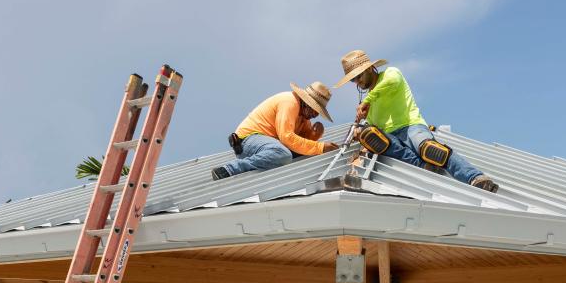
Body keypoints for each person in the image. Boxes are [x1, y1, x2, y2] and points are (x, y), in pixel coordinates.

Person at [333, 50, 499, 193]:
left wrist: (367, 100)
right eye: (353, 80)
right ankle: (423, 165)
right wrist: (361, 129)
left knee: (427, 146)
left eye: (358, 76)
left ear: (370, 68)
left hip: (411, 126)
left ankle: (475, 178)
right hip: (391, 137)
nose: (357, 82)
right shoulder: (370, 102)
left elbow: (391, 82)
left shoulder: (390, 74)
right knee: (372, 135)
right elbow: (374, 124)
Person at [211, 81, 338, 181]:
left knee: (288, 152)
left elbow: (301, 144)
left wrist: (314, 135)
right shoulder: (290, 102)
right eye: (315, 110)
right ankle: (230, 169)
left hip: (265, 144)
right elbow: (287, 137)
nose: (315, 115)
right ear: (306, 103)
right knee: (283, 154)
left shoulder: (302, 117)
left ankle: (247, 163)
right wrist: (320, 147)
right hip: (247, 140)